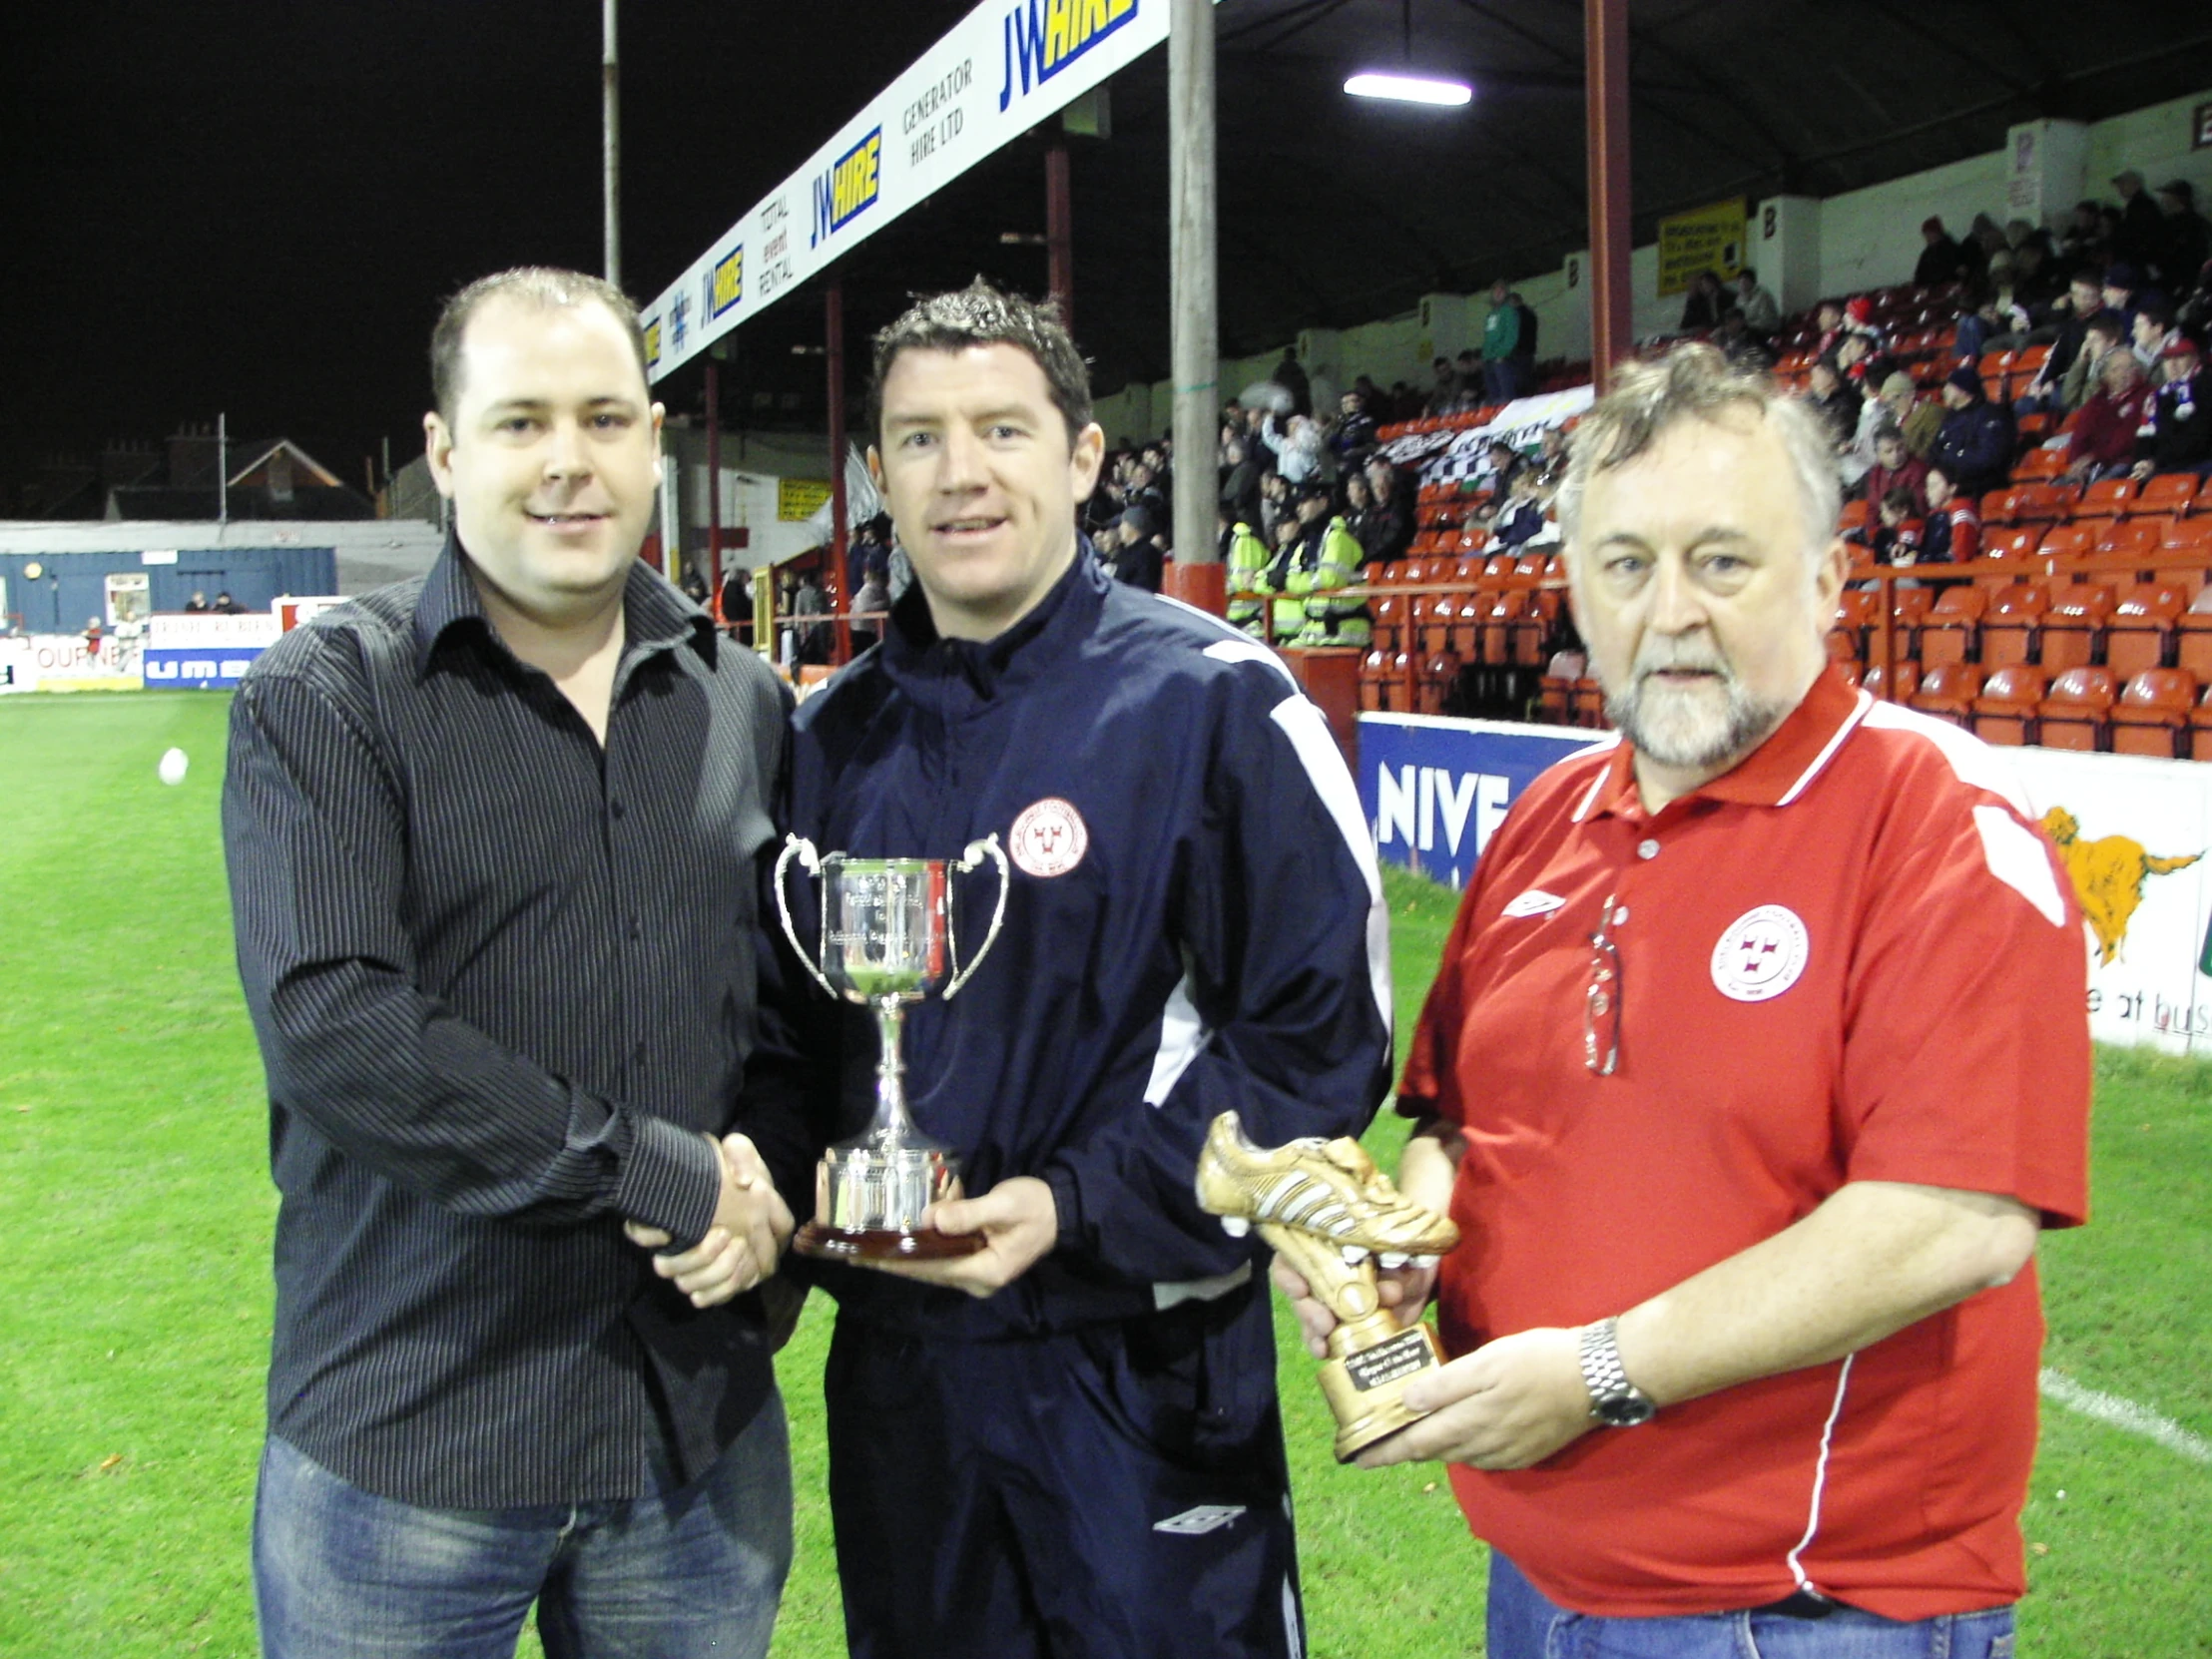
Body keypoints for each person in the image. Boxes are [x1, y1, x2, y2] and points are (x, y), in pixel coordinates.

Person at [1283, 342, 2088, 1658]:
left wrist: (1601, 1373)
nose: (1671, 610)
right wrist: (1403, 1234)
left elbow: (1952, 1223)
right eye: (1625, 563)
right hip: (1540, 1580)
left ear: (1829, 582)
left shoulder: (1937, 827)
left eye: (1723, 559)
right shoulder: (1548, 818)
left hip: (1801, 1616)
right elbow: (1457, 1120)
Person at [742, 279, 1392, 1659]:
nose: (959, 473)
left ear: (1085, 457)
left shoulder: (1216, 699)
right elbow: (789, 1040)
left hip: (1143, 1375)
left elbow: (1318, 1043)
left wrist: (1075, 1204)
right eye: (917, 438)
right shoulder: (830, 737)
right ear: (875, 475)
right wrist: (772, 1173)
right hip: (905, 1388)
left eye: (1000, 430)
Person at [223, 267, 795, 1659]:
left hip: (696, 1445)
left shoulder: (749, 701)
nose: (566, 461)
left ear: (652, 439)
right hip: (411, 1448)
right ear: (442, 452)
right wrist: (664, 1172)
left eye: (603, 418)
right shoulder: (326, 699)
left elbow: (787, 1013)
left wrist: (766, 1185)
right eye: (521, 420)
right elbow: (340, 1025)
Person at [1928, 364, 2014, 500]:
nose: (1944, 391)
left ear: (1963, 390)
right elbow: (1933, 452)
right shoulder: (1951, 417)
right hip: (1952, 485)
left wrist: (1950, 459)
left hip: (1980, 488)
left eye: (1949, 386)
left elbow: (1987, 459)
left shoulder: (1991, 415)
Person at [2131, 334, 2212, 479]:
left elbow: (2199, 437)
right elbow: (2146, 437)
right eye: (2167, 359)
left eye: (2180, 357)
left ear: (2194, 359)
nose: (2172, 364)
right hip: (2164, 465)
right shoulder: (2158, 395)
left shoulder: (2205, 386)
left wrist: (2156, 462)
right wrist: (2143, 460)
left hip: (2198, 463)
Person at [1484, 278, 1527, 401]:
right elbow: (1489, 337)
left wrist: (1502, 354)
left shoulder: (1509, 312)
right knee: (1494, 397)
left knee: (1506, 396)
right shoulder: (1491, 314)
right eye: (1495, 291)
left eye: (1501, 291)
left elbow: (1511, 336)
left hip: (1502, 360)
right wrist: (1485, 356)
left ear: (1506, 294)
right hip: (1489, 359)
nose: (1498, 293)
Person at [1733, 268, 1780, 338]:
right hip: (1749, 328)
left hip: (1767, 331)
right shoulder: (1740, 297)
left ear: (1752, 281)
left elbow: (1766, 321)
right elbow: (1738, 315)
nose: (1742, 284)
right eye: (1740, 282)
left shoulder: (1763, 295)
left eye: (1745, 281)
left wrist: (1745, 325)